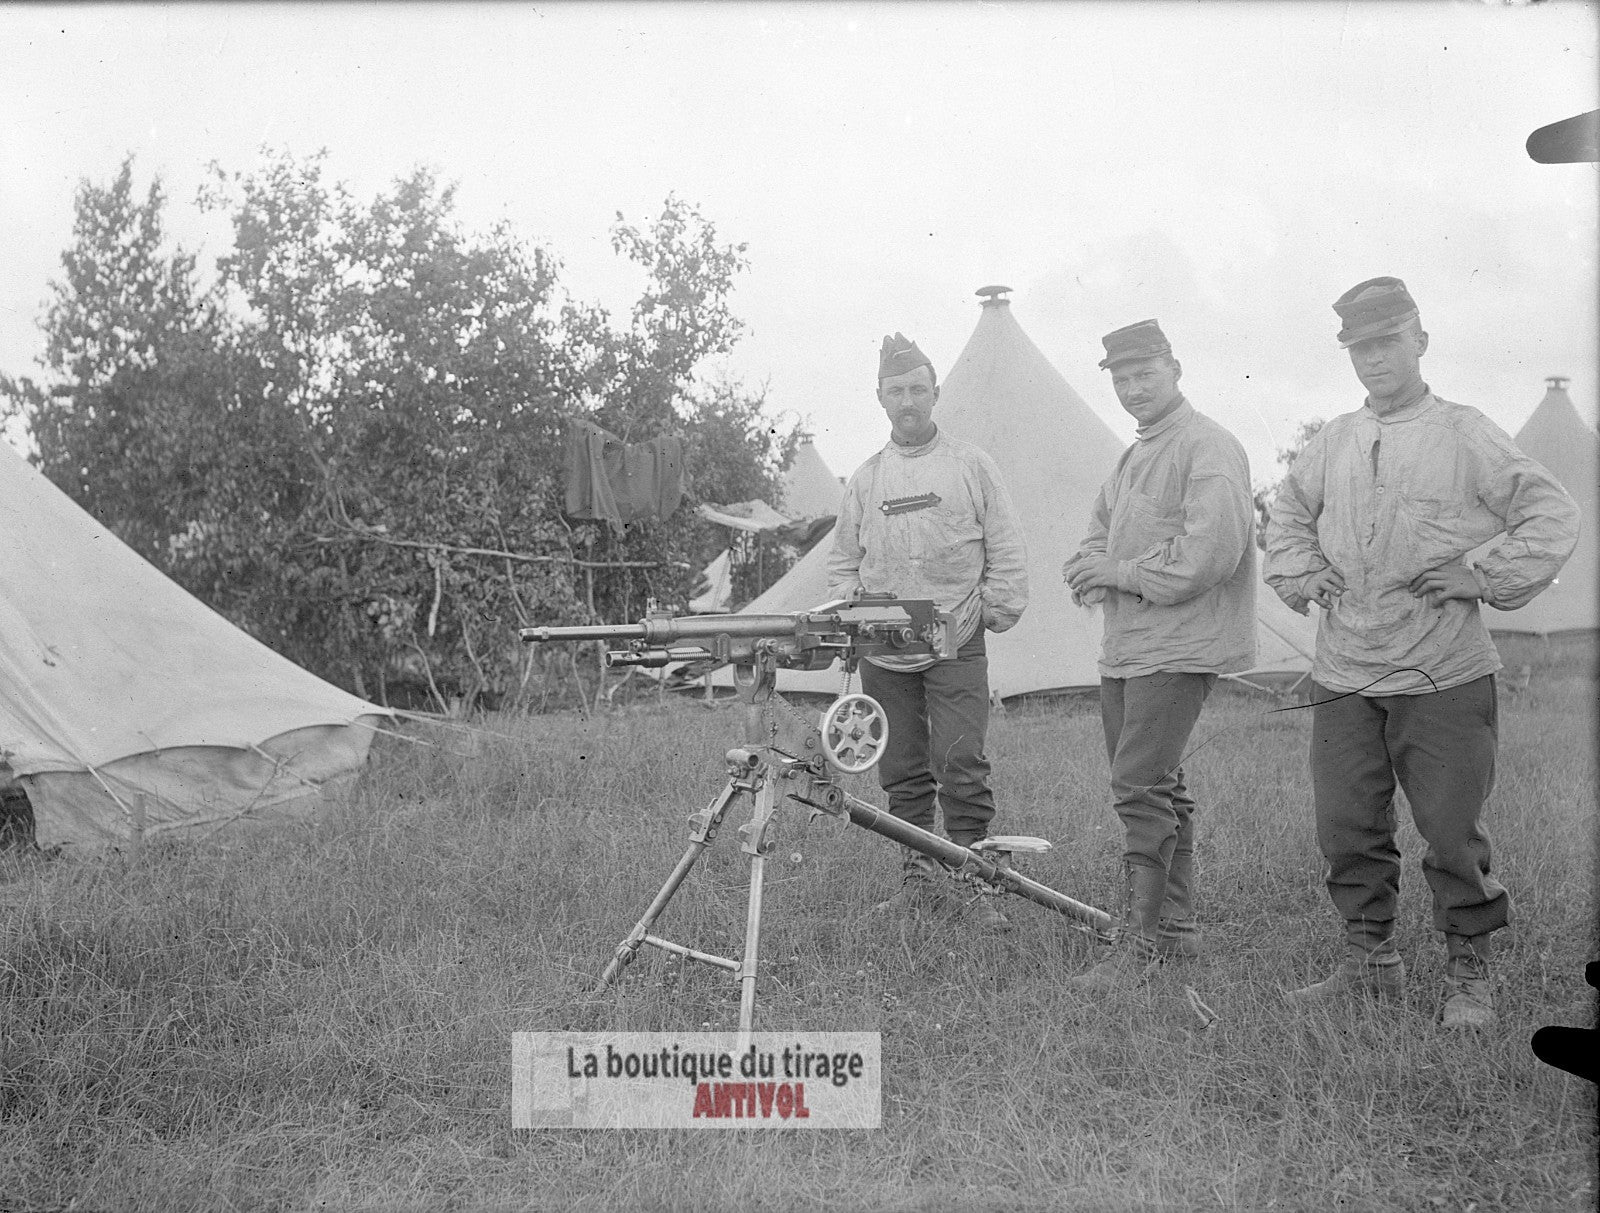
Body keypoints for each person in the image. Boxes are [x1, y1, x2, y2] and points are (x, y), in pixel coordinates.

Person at [1264, 277, 1579, 1028]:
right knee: (1345, 824)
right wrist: (1304, 572)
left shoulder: (1465, 430)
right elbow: (1285, 515)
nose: (1374, 359)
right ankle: (1369, 959)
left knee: (1448, 828)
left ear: (1420, 340)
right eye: (1360, 348)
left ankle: (1469, 972)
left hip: (1442, 671)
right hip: (1344, 671)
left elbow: (1551, 510)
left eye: (1387, 342)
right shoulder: (1334, 440)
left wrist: (1484, 576)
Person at [1062, 319, 1258, 992]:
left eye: (1145, 374)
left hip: (1177, 649)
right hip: (1126, 649)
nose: (1132, 388)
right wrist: (1090, 565)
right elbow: (1093, 538)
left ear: (1175, 368)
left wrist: (1113, 572)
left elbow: (1209, 554)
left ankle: (1139, 944)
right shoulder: (1134, 454)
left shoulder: (1208, 446)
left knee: (1138, 784)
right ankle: (1174, 930)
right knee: (1161, 784)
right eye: (1120, 378)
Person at [828, 332, 1029, 931]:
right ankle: (917, 881)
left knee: (960, 757)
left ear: (936, 393)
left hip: (955, 634)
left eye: (918, 389)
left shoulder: (971, 465)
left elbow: (1005, 541)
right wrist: (851, 617)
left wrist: (999, 604)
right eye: (896, 391)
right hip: (886, 644)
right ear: (881, 400)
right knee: (902, 768)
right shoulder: (864, 480)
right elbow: (841, 563)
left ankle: (976, 879)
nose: (908, 400)